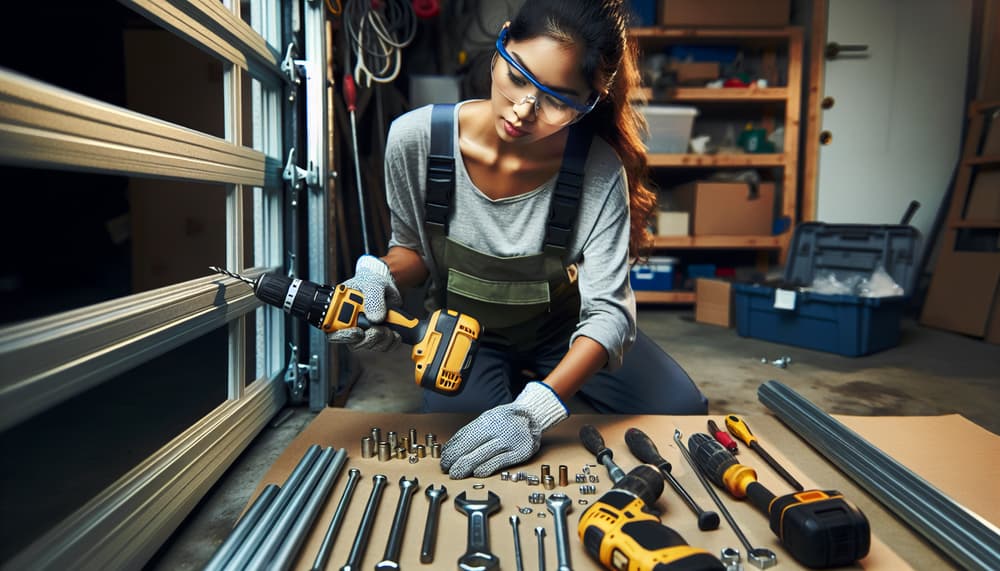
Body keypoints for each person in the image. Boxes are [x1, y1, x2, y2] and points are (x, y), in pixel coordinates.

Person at [330, 0, 708, 479]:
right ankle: (520, 381)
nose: (524, 109)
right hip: (465, 333)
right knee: (460, 433)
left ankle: (543, 381)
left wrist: (536, 409)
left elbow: (610, 314)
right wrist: (378, 273)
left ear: (590, 101)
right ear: (503, 42)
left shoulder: (597, 170)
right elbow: (413, 251)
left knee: (681, 410)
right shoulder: (415, 140)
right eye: (518, 76)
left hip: (561, 332)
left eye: (558, 100)